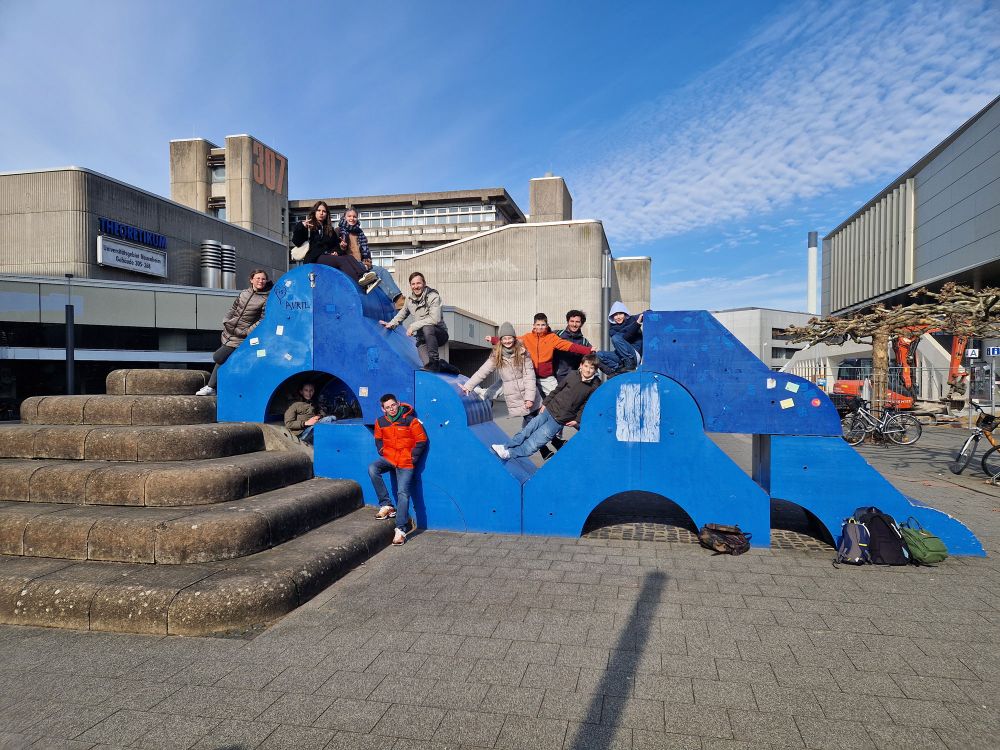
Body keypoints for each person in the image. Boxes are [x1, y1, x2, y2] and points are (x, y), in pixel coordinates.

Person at [492, 354, 601, 461]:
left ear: (595, 370)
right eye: (586, 366)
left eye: (592, 368)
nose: (588, 370)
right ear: (581, 365)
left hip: (559, 420)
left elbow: (586, 405)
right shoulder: (572, 375)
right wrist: (545, 403)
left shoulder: (594, 385)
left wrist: (576, 421)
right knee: (526, 431)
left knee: (535, 443)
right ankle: (505, 446)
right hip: (549, 410)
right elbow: (557, 389)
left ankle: (509, 454)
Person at [196, 269, 271, 396]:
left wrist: (247, 331)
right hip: (229, 332)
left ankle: (212, 387)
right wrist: (226, 320)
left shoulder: (266, 298)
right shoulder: (243, 293)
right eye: (258, 278)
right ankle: (212, 387)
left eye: (263, 279)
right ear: (251, 279)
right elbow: (234, 308)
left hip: (242, 337)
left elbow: (263, 319)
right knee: (224, 361)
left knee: (218, 357)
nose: (261, 281)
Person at [487, 313, 594, 397]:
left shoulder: (552, 338)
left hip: (546, 377)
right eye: (538, 325)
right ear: (533, 325)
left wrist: (588, 350)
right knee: (509, 380)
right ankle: (486, 395)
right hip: (529, 375)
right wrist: (493, 339)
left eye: (543, 325)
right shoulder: (527, 337)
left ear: (546, 325)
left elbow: (569, 346)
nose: (540, 327)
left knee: (557, 396)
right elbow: (512, 340)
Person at [370, 393, 427, 546]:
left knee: (403, 493)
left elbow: (422, 440)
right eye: (388, 407)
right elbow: (378, 439)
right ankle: (387, 505)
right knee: (373, 468)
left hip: (406, 462)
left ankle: (400, 530)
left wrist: (412, 458)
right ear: (383, 409)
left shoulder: (411, 420)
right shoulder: (380, 422)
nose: (392, 409)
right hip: (389, 458)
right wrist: (382, 451)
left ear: (398, 404)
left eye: (393, 405)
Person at [460, 322, 541, 427]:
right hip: (515, 396)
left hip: (529, 395)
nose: (507, 341)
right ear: (501, 340)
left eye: (510, 338)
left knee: (533, 426)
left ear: (514, 338)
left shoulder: (522, 353)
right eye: (504, 338)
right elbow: (483, 371)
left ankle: (553, 442)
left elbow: (529, 376)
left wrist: (529, 398)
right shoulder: (496, 355)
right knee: (530, 428)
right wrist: (468, 386)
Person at [380, 272, 459, 374]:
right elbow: (402, 314)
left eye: (418, 283)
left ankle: (434, 361)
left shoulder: (433, 297)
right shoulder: (409, 300)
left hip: (438, 333)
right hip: (422, 338)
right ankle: (442, 364)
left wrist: (413, 326)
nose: (416, 287)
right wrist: (391, 324)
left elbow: (434, 319)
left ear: (424, 283)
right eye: (413, 284)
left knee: (427, 328)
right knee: (427, 366)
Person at [339, 208, 404, 308]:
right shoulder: (338, 231)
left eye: (354, 216)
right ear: (344, 217)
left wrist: (367, 262)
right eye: (349, 216)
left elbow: (366, 253)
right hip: (349, 265)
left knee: (382, 271)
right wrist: (341, 246)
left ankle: (398, 299)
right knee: (372, 275)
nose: (352, 218)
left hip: (362, 264)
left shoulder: (360, 234)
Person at [597, 302, 645, 375]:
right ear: (612, 317)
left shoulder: (633, 319)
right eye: (615, 315)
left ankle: (629, 363)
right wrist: (636, 324)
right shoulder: (612, 329)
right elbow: (625, 337)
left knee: (616, 338)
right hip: (622, 357)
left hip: (634, 355)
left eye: (620, 314)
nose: (618, 317)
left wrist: (646, 314)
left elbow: (646, 314)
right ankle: (618, 369)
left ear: (625, 314)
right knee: (599, 354)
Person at [554, 310, 591, 384]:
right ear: (568, 321)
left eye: (577, 322)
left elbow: (592, 360)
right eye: (572, 321)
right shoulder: (557, 335)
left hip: (572, 380)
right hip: (554, 379)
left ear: (581, 324)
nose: (574, 324)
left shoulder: (584, 342)